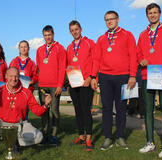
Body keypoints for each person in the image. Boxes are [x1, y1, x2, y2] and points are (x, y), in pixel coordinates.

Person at [0, 67, 51, 160]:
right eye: (11, 76)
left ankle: (16, 142)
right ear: (6, 76)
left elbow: (37, 111)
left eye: (16, 76)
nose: (14, 79)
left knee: (39, 136)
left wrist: (45, 105)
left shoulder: (26, 92)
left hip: (19, 125)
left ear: (19, 77)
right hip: (1, 124)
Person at [90, 11, 137, 150]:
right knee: (106, 108)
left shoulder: (127, 35)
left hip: (123, 76)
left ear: (118, 19)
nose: (109, 21)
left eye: (112, 19)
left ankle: (120, 137)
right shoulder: (101, 38)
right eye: (107, 20)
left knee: (121, 108)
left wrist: (133, 75)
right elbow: (96, 59)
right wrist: (94, 77)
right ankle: (108, 137)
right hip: (105, 77)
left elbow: (133, 56)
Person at [137, 3, 162, 158]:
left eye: (155, 12)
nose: (153, 15)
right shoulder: (142, 34)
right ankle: (150, 142)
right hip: (148, 76)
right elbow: (138, 53)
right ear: (147, 15)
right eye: (150, 13)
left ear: (160, 13)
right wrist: (141, 60)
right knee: (148, 111)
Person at [67, 20, 95, 151]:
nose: (74, 32)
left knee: (85, 109)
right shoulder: (69, 47)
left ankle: (89, 139)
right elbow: (69, 65)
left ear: (81, 29)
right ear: (70, 32)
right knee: (77, 110)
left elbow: (96, 61)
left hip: (86, 82)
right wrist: (68, 81)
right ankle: (81, 136)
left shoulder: (89, 43)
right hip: (74, 83)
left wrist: (91, 77)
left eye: (76, 29)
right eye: (72, 30)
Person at [36, 25, 67, 145]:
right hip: (43, 85)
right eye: (45, 35)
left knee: (54, 110)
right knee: (44, 111)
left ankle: (54, 135)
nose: (47, 37)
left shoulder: (60, 48)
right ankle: (44, 134)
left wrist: (60, 85)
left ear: (53, 34)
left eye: (49, 35)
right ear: (43, 36)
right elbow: (39, 67)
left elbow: (62, 68)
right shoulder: (39, 50)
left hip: (55, 86)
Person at [9, 40, 38, 119]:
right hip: (16, 91)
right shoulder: (14, 61)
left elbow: (35, 75)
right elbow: (9, 75)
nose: (23, 49)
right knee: (14, 112)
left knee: (24, 113)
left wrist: (33, 81)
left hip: (26, 91)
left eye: (25, 47)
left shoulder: (32, 62)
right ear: (19, 48)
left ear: (28, 48)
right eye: (21, 47)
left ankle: (25, 129)